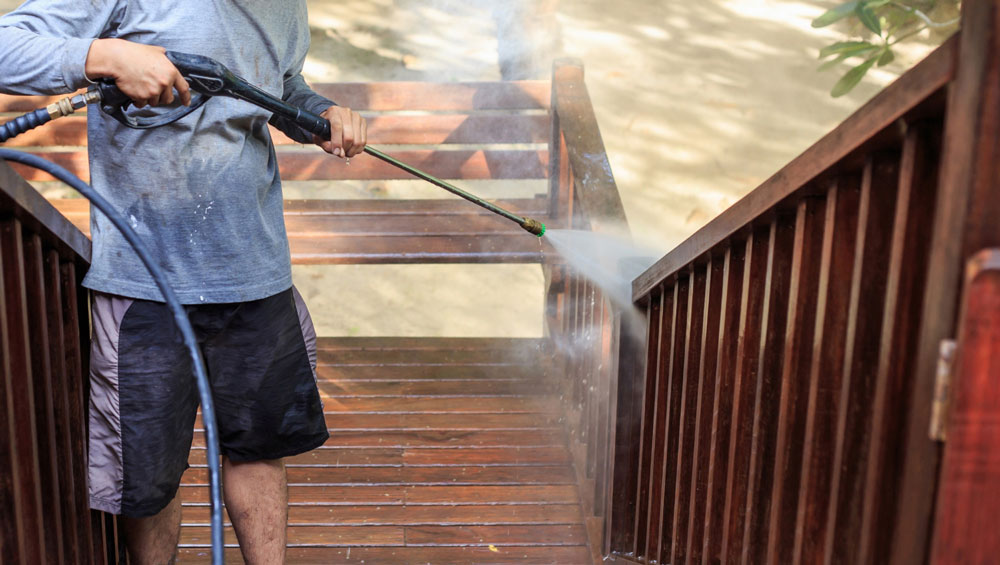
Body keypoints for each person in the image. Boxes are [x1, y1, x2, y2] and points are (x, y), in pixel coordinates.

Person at [0, 1, 366, 562]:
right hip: (145, 281)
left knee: (259, 450)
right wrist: (107, 55)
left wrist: (321, 112)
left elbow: (276, 83)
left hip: (255, 270)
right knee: (148, 478)